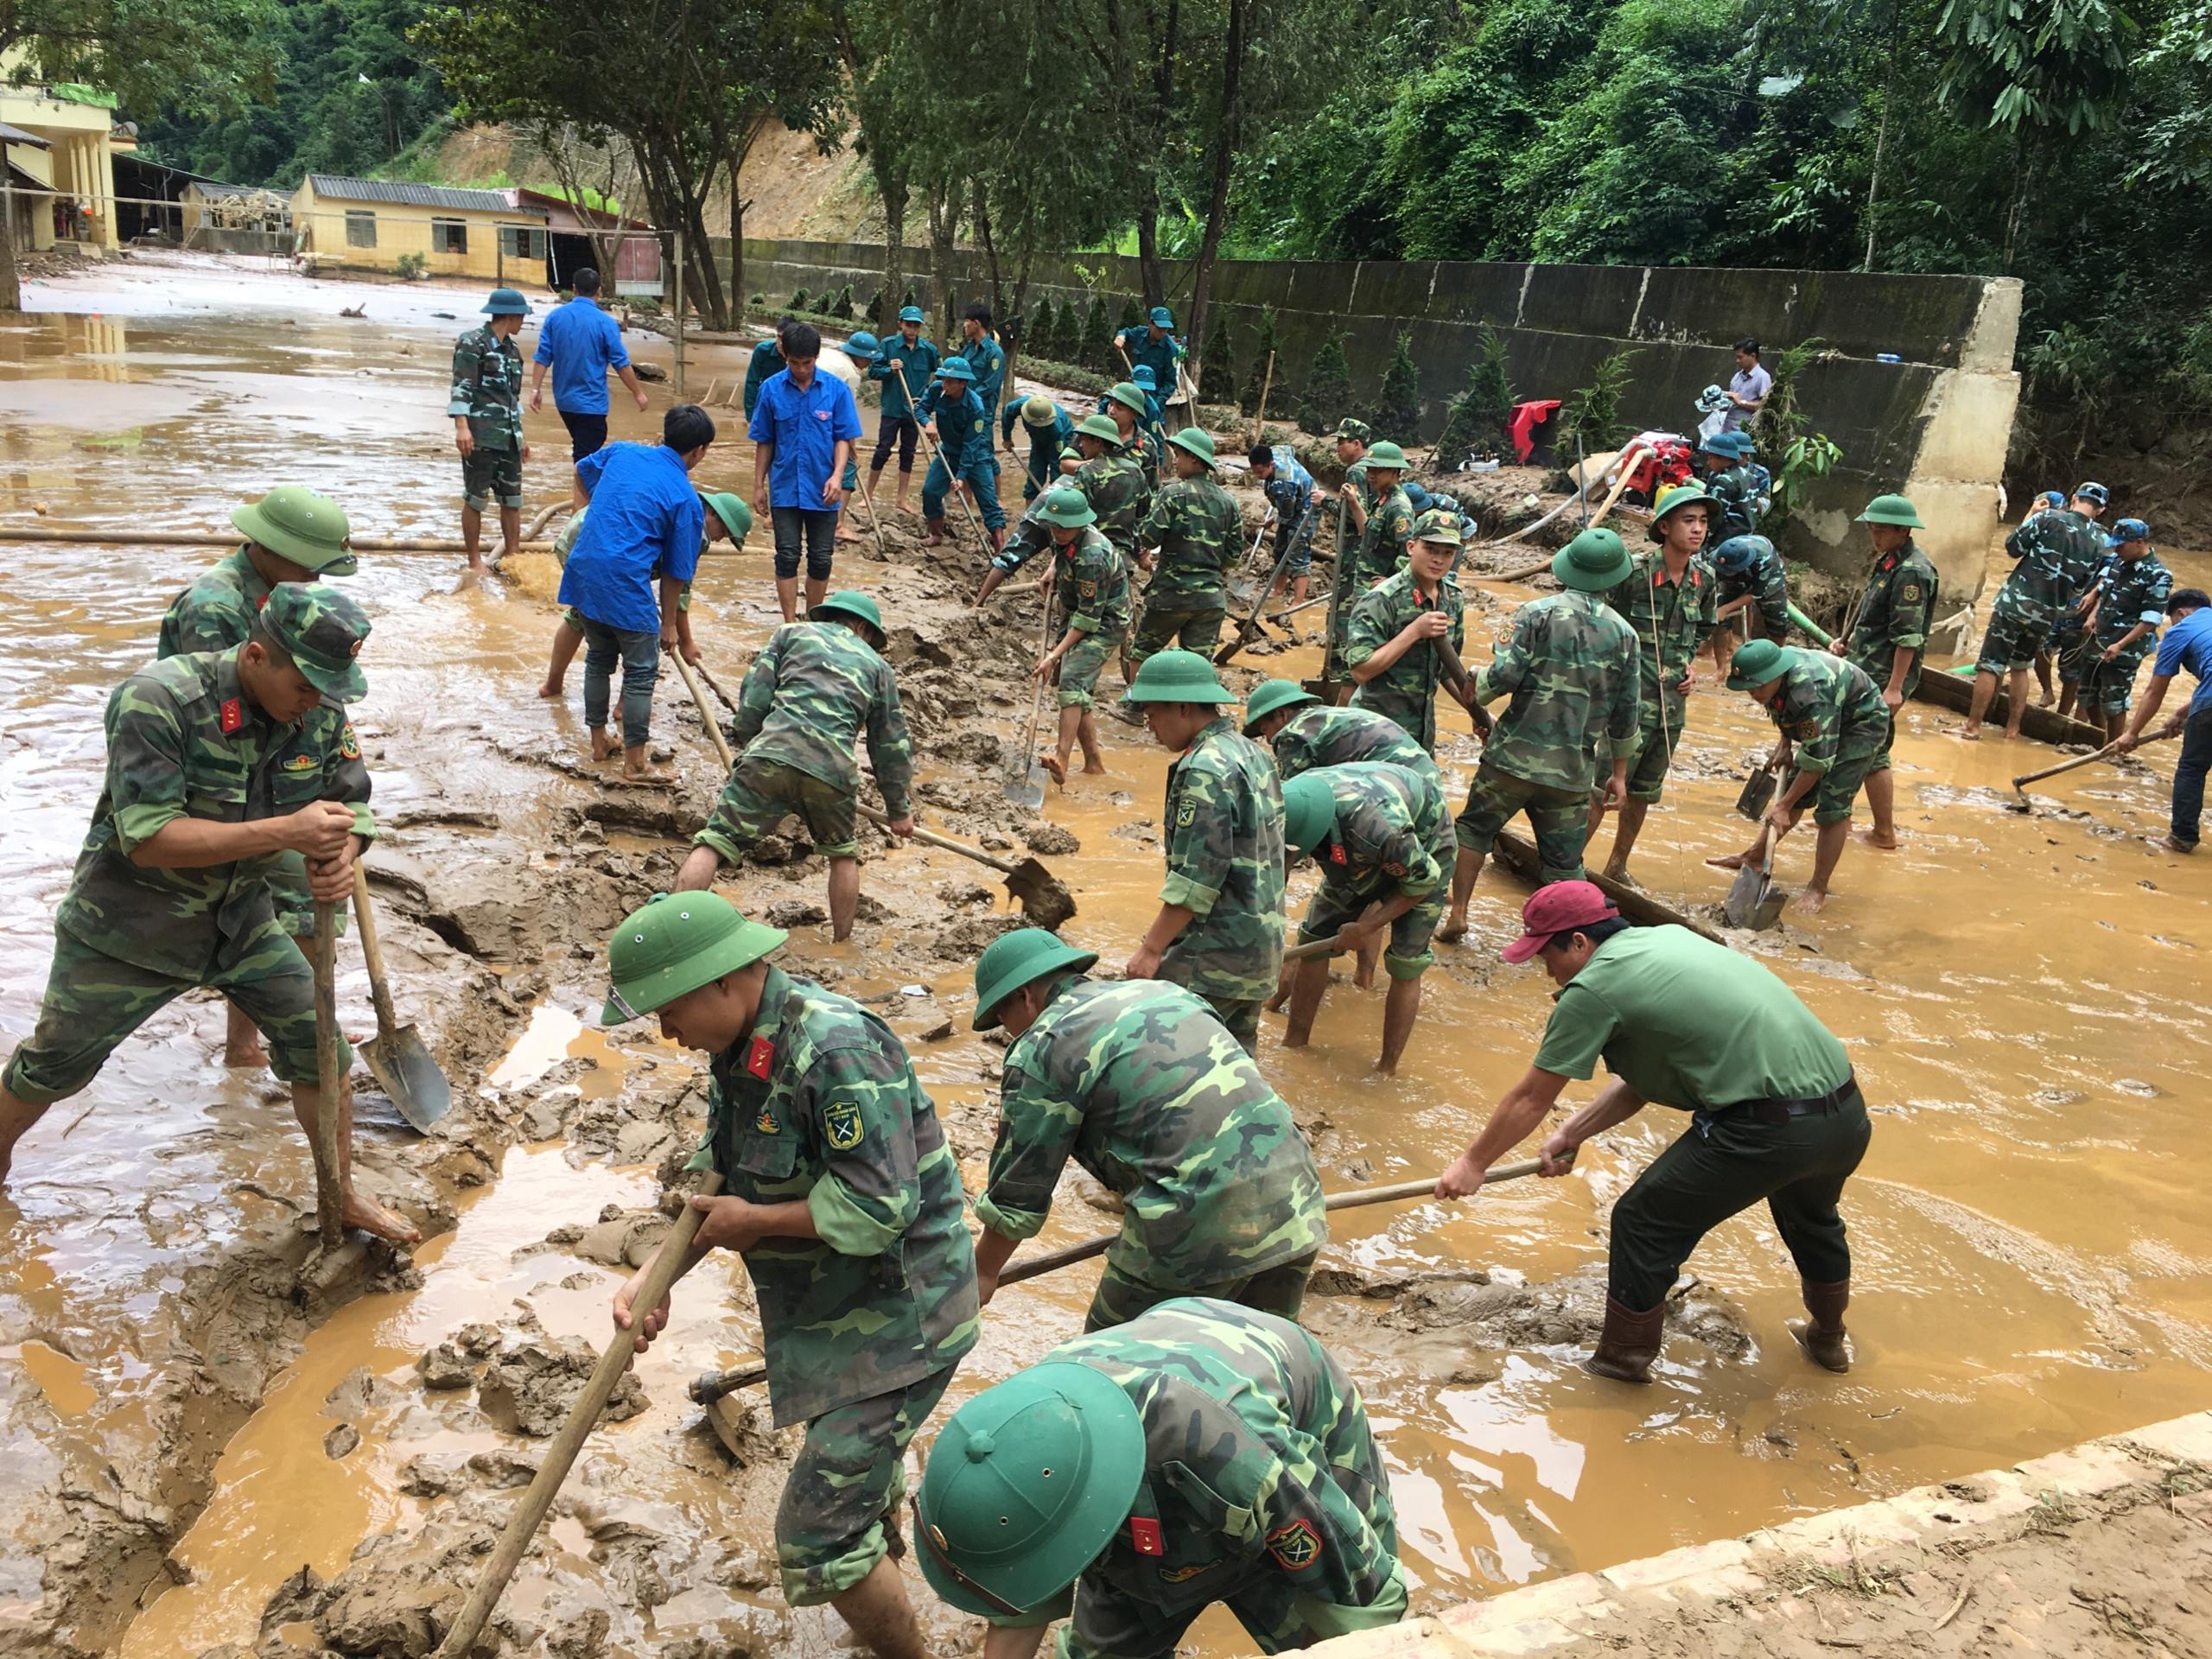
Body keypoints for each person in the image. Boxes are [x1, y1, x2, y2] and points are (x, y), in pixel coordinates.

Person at [604, 892, 976, 1659]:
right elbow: (720, 1176)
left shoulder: (834, 1048)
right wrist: (659, 1277)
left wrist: (760, 1222)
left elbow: (880, 1207)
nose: (665, 1033)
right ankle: (886, 1565)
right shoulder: (735, 1050)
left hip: (906, 1319)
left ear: (722, 983)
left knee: (815, 1534)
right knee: (855, 1489)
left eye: (667, 1012)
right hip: (834, 1316)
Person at [0, 585, 416, 1243]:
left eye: (329, 686)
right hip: (129, 928)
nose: (317, 700)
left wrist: (345, 850)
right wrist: (287, 833)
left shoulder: (322, 712)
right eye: (307, 684)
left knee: (322, 1049)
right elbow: (148, 836)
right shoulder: (159, 699)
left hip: (241, 920)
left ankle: (341, 1195)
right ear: (256, 656)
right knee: (55, 1067)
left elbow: (350, 801)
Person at [1435, 881, 1871, 1382]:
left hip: (1766, 1127)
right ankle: (1828, 1339)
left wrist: (1473, 1163)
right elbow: (1640, 1081)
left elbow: (1532, 1097)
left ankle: (1620, 1366)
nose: (1547, 972)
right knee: (1812, 1218)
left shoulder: (1594, 987)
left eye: (1546, 956)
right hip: (1844, 1114)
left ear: (1579, 942)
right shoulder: (1667, 941)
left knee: (1643, 1221)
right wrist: (1573, 1133)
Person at [915, 1299, 1405, 1659]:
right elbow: (1018, 1601)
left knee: (1324, 1626)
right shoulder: (1025, 1451)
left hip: (1277, 1422)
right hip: (1143, 1444)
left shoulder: (1242, 1458)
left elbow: (1361, 1604)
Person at [968, 929, 1328, 1327]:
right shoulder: (1168, 995)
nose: (1009, 1032)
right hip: (1296, 1199)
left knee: (1112, 1371)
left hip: (1198, 1220)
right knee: (1259, 1368)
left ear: (1025, 996)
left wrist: (983, 1272)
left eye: (1003, 1019)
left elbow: (1018, 1191)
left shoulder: (1044, 1044)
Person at [157, 486, 360, 1070]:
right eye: (311, 568)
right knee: (274, 898)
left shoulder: (290, 594)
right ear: (271, 548)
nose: (317, 582)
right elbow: (223, 711)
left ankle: (284, 1041)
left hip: (280, 764)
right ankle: (249, 1046)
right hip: (222, 778)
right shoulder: (215, 607)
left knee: (310, 896)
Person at [675, 592, 914, 939]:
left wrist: (751, 745)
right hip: (831, 775)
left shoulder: (790, 634)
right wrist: (898, 809)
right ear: (863, 628)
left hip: (771, 756)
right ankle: (841, 944)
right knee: (842, 854)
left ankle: (674, 932)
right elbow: (890, 745)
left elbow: (755, 696)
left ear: (828, 616)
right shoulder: (879, 669)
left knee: (714, 842)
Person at [1440, 528, 1640, 940]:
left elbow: (1505, 675)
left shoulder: (1536, 612)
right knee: (1565, 865)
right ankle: (1561, 939)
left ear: (1567, 568)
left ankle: (1458, 912)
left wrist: (1478, 683)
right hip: (1571, 774)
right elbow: (1626, 715)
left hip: (1510, 760)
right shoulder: (1626, 637)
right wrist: (1618, 775)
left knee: (1474, 830)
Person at [1122, 651, 1286, 1054]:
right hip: (1259, 948)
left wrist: (1151, 949)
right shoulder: (1253, 754)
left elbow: (1198, 877)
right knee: (1236, 1071)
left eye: (1152, 714)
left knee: (1173, 1067)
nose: (1150, 727)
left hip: (1212, 957)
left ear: (1182, 707)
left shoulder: (1204, 769)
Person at [557, 404, 715, 781]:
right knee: (641, 672)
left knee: (598, 658)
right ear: (698, 452)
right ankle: (635, 763)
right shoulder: (686, 499)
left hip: (584, 568)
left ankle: (599, 743)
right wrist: (670, 628)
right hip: (623, 580)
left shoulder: (622, 451)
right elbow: (677, 573)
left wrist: (593, 512)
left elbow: (582, 471)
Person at [1279, 764, 1452, 1074]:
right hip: (1350, 842)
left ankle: (1386, 1069)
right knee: (1315, 939)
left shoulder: (1380, 829)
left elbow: (1423, 881)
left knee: (1406, 961)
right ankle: (1295, 1043)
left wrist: (1369, 925)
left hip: (1425, 846)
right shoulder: (1290, 800)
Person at [1587, 483, 1719, 884]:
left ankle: (1617, 865)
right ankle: (1565, 861)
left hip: (1670, 707)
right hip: (1625, 704)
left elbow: (1705, 629)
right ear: (1664, 527)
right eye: (1688, 521)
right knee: (1600, 787)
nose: (1697, 530)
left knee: (1644, 791)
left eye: (1703, 522)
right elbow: (1601, 625)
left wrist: (1691, 665)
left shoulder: (1704, 579)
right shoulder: (1635, 574)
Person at [1707, 640, 1890, 914]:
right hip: (1828, 713)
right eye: (1749, 688)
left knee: (1833, 806)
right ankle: (1756, 857)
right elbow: (1782, 706)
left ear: (1775, 674)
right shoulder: (1775, 677)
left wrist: (1782, 806)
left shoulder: (1810, 694)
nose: (1754, 694)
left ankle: (1818, 887)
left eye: (1758, 686)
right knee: (1797, 789)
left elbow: (1818, 761)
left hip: (1862, 723)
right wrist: (1784, 744)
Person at [538, 491, 749, 701]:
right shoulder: (694, 529)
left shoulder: (676, 499)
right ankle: (627, 706)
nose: (721, 539)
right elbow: (679, 593)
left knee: (581, 615)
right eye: (725, 531)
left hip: (579, 537)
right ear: (711, 513)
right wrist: (685, 641)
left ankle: (553, 684)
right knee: (640, 631)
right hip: (604, 552)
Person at [1826, 493, 1936, 849]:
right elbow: (1870, 613)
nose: (1874, 539)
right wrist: (1845, 643)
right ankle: (1848, 820)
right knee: (1867, 748)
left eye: (1881, 532)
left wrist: (1895, 688)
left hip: (1885, 674)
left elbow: (1908, 636)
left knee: (1870, 749)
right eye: (1871, 531)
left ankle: (1880, 831)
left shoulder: (1911, 572)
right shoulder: (1888, 561)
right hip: (1864, 664)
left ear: (1903, 530)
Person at [1961, 483, 2107, 741]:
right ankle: (2013, 730)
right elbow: (2081, 585)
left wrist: (2031, 512)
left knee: (1991, 663)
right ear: (2101, 509)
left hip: (2015, 604)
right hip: (2049, 613)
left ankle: (1972, 727)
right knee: (2020, 667)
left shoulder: (2048, 517)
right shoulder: (2099, 540)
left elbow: (2012, 547)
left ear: (2074, 499)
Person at [750, 321, 864, 622]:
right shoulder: (771, 389)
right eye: (794, 363)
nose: (800, 369)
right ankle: (789, 623)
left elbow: (842, 438)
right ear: (784, 356)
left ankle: (813, 621)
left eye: (807, 363)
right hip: (785, 486)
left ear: (816, 358)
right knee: (787, 555)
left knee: (821, 557)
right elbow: (765, 440)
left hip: (823, 488)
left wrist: (838, 475)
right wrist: (758, 485)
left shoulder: (836, 390)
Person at [1021, 488, 1128, 783]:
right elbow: (1062, 550)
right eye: (1053, 526)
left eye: (1063, 527)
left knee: (1070, 681)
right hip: (1076, 612)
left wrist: (1053, 657)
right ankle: (1093, 763)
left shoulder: (1093, 557)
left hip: (1105, 622)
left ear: (1079, 524)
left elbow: (1087, 620)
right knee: (1079, 692)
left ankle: (1062, 757)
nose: (1056, 531)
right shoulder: (1066, 534)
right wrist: (1052, 569)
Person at [1342, 507, 1465, 755]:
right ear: (1411, 547)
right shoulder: (1382, 599)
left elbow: (1449, 672)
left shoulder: (1452, 599)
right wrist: (1414, 632)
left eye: (1447, 553)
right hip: (1376, 733)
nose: (1438, 560)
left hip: (1421, 735)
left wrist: (1478, 712)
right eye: (1430, 549)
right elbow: (1360, 671)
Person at [1127, 428, 1242, 680]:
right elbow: (1234, 555)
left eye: (1178, 455)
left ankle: (1135, 709)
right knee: (1197, 666)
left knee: (1143, 652)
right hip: (1211, 600)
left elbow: (1148, 537)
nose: (1175, 461)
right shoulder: (1228, 502)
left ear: (1194, 459)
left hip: (1171, 594)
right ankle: (1190, 716)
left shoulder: (1173, 494)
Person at [528, 266, 649, 501]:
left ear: (573, 290)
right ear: (599, 292)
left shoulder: (555, 317)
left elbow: (543, 355)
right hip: (591, 404)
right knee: (585, 460)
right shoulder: (606, 324)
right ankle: (580, 511)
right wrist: (638, 393)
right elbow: (621, 363)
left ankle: (585, 503)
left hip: (564, 402)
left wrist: (535, 389)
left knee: (583, 453)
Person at [2115, 588, 2212, 851]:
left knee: (2192, 768)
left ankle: (2181, 837)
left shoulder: (2181, 629)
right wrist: (2181, 714)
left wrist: (2131, 733)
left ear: (2181, 612)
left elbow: (2155, 690)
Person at [448, 287, 531, 570]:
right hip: (481, 435)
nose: (524, 322)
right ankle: (475, 561)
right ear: (510, 315)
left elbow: (512, 399)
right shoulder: (473, 343)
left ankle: (512, 558)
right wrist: (462, 427)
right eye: (522, 316)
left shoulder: (512, 350)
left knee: (513, 499)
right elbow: (462, 387)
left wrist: (521, 436)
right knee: (476, 498)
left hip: (508, 438)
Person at [2066, 518, 2169, 740]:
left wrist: (2120, 645)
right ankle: (2099, 738)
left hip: (2125, 647)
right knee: (2087, 694)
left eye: (2121, 545)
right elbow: (2105, 593)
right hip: (2099, 637)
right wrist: (2092, 617)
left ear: (2139, 542)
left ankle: (2113, 747)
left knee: (2114, 700)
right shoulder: (2117, 562)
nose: (2116, 549)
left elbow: (2150, 619)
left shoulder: (2158, 575)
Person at [1241, 680, 1440, 791]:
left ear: (1282, 714)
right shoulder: (1325, 716)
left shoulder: (1293, 734)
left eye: (1265, 730)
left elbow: (1290, 798)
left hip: (1400, 786)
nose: (1268, 740)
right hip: (1426, 779)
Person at [917, 357, 1007, 552]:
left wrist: (960, 477)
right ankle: (936, 533)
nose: (945, 384)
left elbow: (970, 446)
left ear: (963, 383)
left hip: (975, 455)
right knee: (930, 491)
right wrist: (928, 422)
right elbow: (920, 408)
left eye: (950, 381)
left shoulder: (976, 407)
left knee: (988, 499)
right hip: (948, 452)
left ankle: (1000, 543)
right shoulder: (936, 390)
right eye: (944, 379)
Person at [866, 306, 938, 516]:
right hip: (893, 407)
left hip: (915, 410)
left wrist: (927, 396)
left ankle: (901, 498)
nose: (912, 329)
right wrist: (890, 369)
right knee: (883, 449)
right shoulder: (888, 346)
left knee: (908, 453)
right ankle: (868, 495)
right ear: (901, 324)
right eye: (909, 324)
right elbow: (873, 371)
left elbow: (940, 376)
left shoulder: (929, 350)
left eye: (916, 325)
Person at [1248, 442, 1325, 626]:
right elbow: (1290, 448)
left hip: (1307, 507)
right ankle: (1278, 590)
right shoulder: (1277, 451)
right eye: (1254, 472)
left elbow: (1287, 514)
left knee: (1297, 551)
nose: (1258, 477)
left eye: (1260, 473)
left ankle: (1297, 603)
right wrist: (1275, 519)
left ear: (1271, 465)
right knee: (1280, 549)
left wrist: (1274, 519)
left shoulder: (1283, 484)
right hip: (1291, 503)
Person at [1709, 532, 1791, 665]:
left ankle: (1771, 663)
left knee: (1778, 623)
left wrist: (1725, 609)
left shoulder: (1765, 561)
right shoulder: (1719, 555)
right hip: (1735, 574)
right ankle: (1721, 670)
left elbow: (1756, 594)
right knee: (1720, 622)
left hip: (1768, 578)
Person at [1344, 440, 1414, 594]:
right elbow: (1367, 534)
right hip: (1366, 586)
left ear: (1394, 472)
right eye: (1369, 469)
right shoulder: (1383, 500)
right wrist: (1354, 503)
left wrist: (1393, 580)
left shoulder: (1398, 507)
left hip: (1380, 593)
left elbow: (1409, 552)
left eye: (1378, 470)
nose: (1371, 475)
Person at [1010, 394, 1077, 502]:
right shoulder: (1019, 405)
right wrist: (1006, 438)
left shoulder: (1057, 429)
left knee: (1058, 475)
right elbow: (1008, 414)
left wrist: (1056, 486)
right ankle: (1029, 509)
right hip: (1037, 438)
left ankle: (1056, 503)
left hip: (1060, 440)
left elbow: (1057, 462)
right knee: (1035, 473)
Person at [1115, 304, 1188, 402]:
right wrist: (1120, 337)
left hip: (1153, 395)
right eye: (1159, 328)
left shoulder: (1171, 349)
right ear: (1150, 323)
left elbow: (1170, 383)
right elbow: (1125, 332)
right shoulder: (1139, 333)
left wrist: (1157, 403)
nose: (1162, 332)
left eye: (1165, 329)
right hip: (1134, 389)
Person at [1699, 430, 1761, 544]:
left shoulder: (1724, 481)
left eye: (1710, 458)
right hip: (1745, 539)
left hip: (1724, 541)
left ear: (1723, 458)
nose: (1708, 463)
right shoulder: (1749, 476)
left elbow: (1716, 516)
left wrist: (1702, 540)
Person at [959, 302, 1007, 431]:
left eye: (967, 321)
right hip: (962, 411)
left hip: (981, 413)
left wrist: (966, 399)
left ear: (976, 324)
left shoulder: (994, 353)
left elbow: (990, 385)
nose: (964, 325)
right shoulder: (968, 349)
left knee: (982, 449)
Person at [742, 319, 793, 422]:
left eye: (785, 339)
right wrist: (751, 416)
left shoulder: (801, 357)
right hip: (766, 404)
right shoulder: (762, 351)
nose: (781, 343)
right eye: (779, 337)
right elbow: (752, 382)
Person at [1725, 336, 1770, 431]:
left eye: (1740, 357)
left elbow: (1765, 406)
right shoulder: (1737, 376)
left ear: (1753, 356)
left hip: (1744, 434)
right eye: (1736, 357)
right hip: (1728, 429)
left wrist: (1741, 402)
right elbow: (1732, 402)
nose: (1737, 361)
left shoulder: (1762, 377)